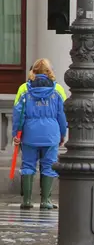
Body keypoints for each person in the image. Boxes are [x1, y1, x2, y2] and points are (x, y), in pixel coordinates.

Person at [12, 73, 67, 210]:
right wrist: (62, 133)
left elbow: (18, 113)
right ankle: (45, 201)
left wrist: (16, 134)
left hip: (30, 134)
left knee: (28, 165)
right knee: (48, 166)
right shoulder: (57, 90)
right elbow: (62, 115)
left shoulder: (25, 90)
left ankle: (27, 200)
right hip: (51, 133)